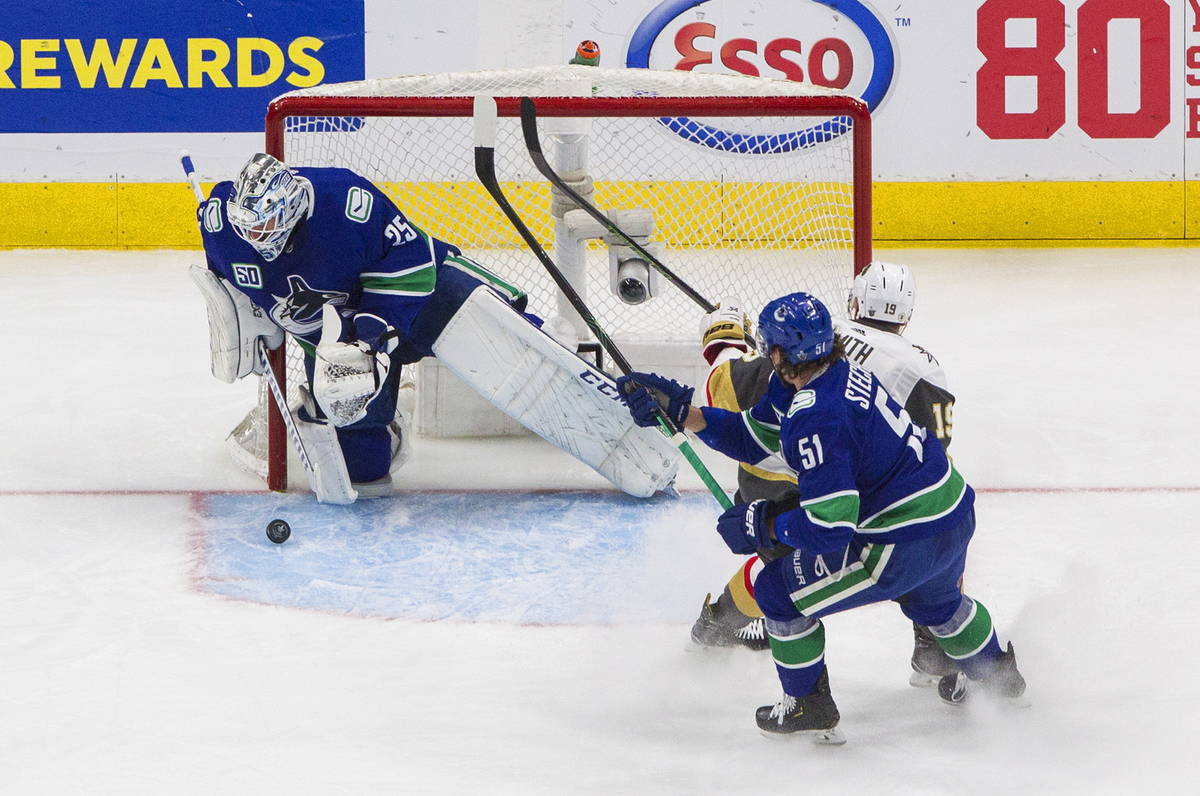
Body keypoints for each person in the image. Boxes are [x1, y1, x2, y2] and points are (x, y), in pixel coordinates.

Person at [617, 292, 1025, 741]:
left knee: (777, 590)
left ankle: (807, 705)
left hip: (899, 543)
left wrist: (763, 523)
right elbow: (754, 437)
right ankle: (1001, 680)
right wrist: (684, 413)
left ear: (776, 352)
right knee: (939, 604)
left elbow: (830, 531)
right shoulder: (832, 374)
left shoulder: (819, 415)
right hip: (952, 516)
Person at [191, 153, 678, 503]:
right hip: (332, 338)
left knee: (520, 348)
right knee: (366, 475)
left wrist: (371, 335)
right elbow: (226, 278)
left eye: (267, 230)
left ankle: (632, 428)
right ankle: (385, 421)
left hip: (422, 300)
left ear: (295, 209)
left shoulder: (346, 201)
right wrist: (241, 314)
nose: (257, 241)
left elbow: (413, 263)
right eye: (248, 231)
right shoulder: (219, 221)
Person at [691, 262, 959, 686]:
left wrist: (723, 340)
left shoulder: (815, 336)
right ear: (906, 317)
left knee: (780, 559)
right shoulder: (921, 368)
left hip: (768, 473)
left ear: (853, 302)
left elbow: (723, 391)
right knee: (928, 542)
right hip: (847, 486)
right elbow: (933, 457)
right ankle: (933, 650)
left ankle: (717, 624)